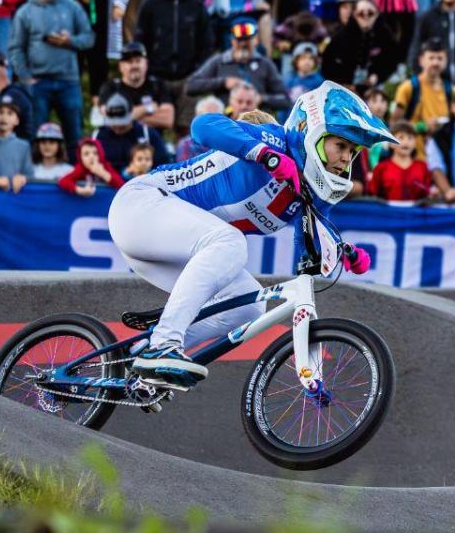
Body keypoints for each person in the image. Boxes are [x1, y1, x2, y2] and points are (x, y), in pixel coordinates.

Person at [107, 82, 389, 385]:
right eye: (341, 146)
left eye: (353, 151)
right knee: (230, 242)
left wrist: (342, 249)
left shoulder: (309, 193)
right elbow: (202, 126)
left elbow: (310, 239)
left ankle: (144, 354)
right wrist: (264, 155)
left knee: (249, 304)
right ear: (316, 137)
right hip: (141, 205)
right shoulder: (278, 142)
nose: (347, 158)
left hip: (170, 245)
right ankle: (164, 344)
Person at [10, 0, 95, 137]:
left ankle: (74, 164)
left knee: (74, 136)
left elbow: (89, 38)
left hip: (69, 81)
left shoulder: (72, 7)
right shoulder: (24, 13)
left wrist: (70, 40)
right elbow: (16, 48)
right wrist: (25, 77)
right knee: (35, 137)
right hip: (38, 83)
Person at [184, 18, 289, 110]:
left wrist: (261, 99)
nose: (243, 44)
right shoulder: (219, 61)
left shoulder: (265, 64)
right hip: (225, 120)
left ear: (256, 40)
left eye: (247, 40)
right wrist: (223, 82)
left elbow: (285, 100)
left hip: (256, 122)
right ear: (232, 40)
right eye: (239, 40)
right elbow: (191, 86)